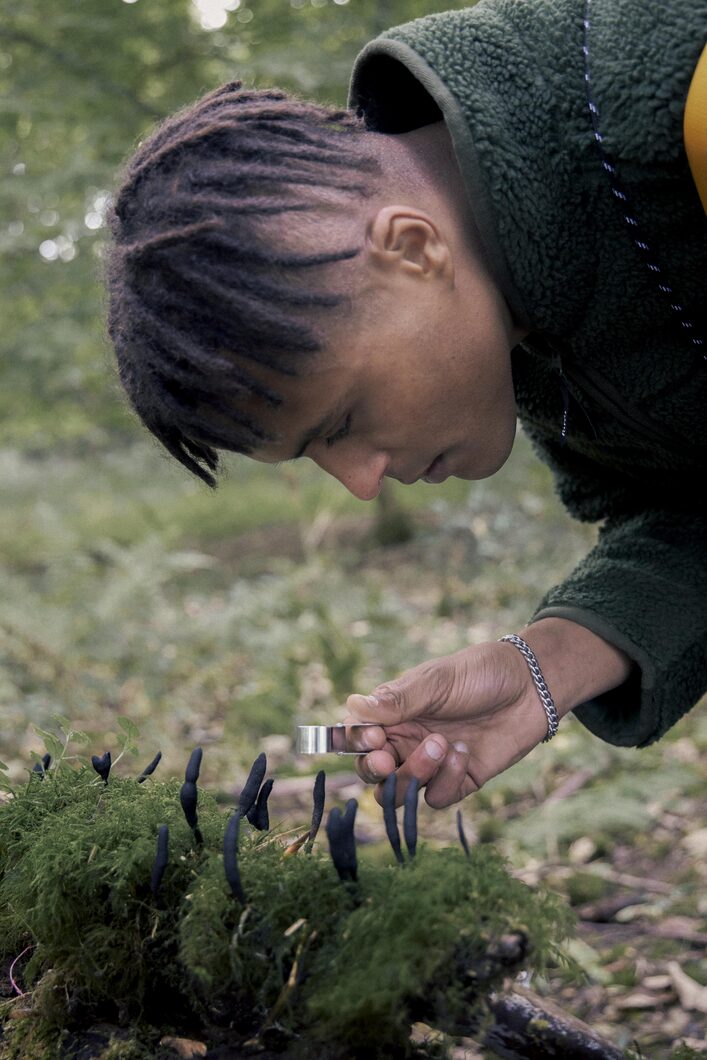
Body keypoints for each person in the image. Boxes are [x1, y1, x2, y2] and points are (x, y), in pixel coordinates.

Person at [106, 0, 707, 810]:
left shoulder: (676, 104)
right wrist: (545, 662)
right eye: (315, 457)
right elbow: (685, 515)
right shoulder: (528, 328)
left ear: (413, 250)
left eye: (341, 422)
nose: (360, 483)